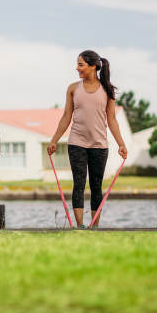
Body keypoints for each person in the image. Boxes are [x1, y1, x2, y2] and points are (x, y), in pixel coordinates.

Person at [47, 50, 128, 228]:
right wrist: (54, 140)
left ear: (93, 66)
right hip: (77, 142)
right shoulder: (73, 88)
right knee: (79, 183)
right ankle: (80, 227)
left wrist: (121, 144)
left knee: (96, 186)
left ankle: (95, 227)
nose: (77, 68)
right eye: (77, 64)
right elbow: (66, 117)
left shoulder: (107, 90)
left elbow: (112, 120)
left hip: (100, 144)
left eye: (81, 65)